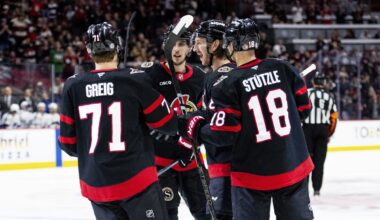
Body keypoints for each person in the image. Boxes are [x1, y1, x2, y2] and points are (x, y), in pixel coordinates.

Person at [178, 18, 314, 220]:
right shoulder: (282, 67)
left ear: (231, 45)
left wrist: (195, 130)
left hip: (252, 173)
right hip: (293, 164)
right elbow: (304, 108)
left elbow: (223, 134)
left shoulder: (229, 83)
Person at [59, 22, 177, 220]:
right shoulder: (136, 79)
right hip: (137, 181)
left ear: (89, 50)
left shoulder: (72, 85)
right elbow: (168, 123)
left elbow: (69, 145)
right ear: (118, 46)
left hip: (97, 185)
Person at [140, 24, 209, 220]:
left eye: (182, 44)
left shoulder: (199, 77)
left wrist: (194, 140)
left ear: (190, 48)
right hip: (161, 166)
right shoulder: (150, 75)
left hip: (193, 162)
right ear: (165, 46)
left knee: (208, 214)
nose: (177, 49)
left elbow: (205, 116)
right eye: (173, 44)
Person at [191, 19, 235, 219]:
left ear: (215, 44)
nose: (195, 48)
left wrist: (195, 131)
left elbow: (224, 131)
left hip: (227, 172)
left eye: (199, 42)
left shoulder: (221, 78)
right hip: (228, 172)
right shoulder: (226, 74)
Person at [303, 72, 338, 196]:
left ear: (313, 82)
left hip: (307, 129)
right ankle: (317, 189)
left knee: (306, 161)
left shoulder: (307, 93)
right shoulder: (329, 96)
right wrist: (329, 133)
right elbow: (334, 117)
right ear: (323, 83)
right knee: (319, 162)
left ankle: (303, 190)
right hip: (323, 130)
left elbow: (299, 111)